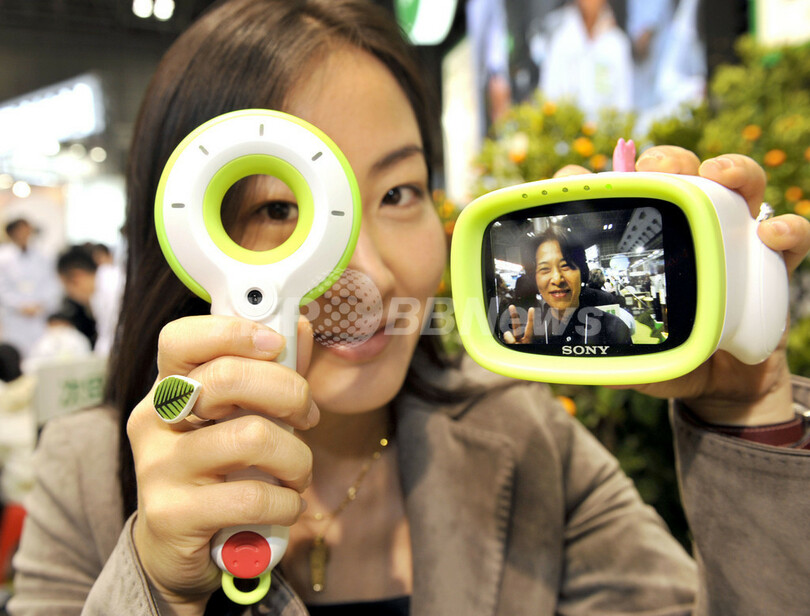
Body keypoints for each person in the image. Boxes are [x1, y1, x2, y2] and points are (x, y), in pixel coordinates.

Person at [8, 1, 810, 615]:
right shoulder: (87, 474)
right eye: (280, 209)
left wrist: (748, 414)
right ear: (188, 235)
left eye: (398, 192)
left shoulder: (527, 440)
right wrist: (157, 585)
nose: (373, 275)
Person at [503, 226, 633, 345]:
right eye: (545, 269)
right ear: (535, 279)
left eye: (566, 266)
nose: (557, 279)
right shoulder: (527, 332)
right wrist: (522, 355)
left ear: (582, 272)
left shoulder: (613, 328)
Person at [0, 219, 61, 359]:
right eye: (20, 230)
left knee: (43, 352)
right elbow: (2, 287)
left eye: (27, 229)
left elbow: (52, 283)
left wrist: (41, 304)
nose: (24, 234)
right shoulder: (3, 257)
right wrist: (19, 305)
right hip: (15, 316)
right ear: (11, 233)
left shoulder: (44, 255)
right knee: (15, 354)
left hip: (39, 313)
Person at [56, 244, 124, 357]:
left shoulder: (113, 287)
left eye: (67, 288)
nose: (71, 296)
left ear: (76, 277)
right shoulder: (99, 294)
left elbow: (113, 339)